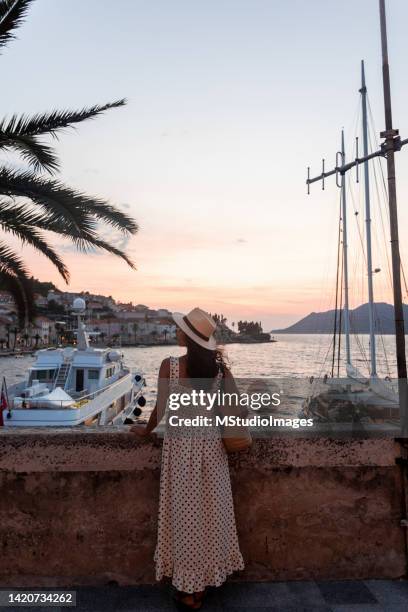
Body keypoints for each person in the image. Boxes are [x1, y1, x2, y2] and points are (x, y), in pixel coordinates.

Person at [132, 307, 244, 610]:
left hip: (181, 450)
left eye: (180, 328)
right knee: (210, 515)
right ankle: (203, 582)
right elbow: (234, 409)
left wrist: (146, 430)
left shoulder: (169, 366)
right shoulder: (219, 370)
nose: (176, 331)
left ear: (189, 337)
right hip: (211, 449)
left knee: (184, 519)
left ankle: (187, 589)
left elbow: (161, 410)